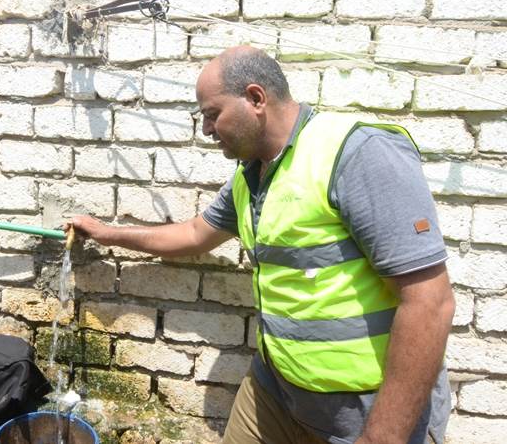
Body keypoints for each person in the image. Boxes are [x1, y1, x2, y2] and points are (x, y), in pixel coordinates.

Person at [66, 46, 455, 444]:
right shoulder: (251, 176)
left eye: (212, 114)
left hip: (361, 411)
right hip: (276, 389)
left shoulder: (356, 154)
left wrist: (382, 438)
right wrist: (107, 233)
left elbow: (430, 302)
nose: (206, 130)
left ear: (255, 98)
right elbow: (195, 234)